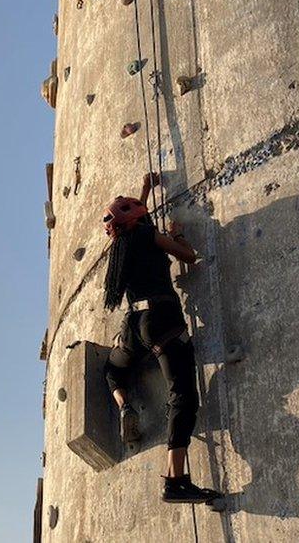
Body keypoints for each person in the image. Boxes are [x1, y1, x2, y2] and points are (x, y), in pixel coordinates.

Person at [101, 173, 222, 504]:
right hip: (162, 319)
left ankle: (124, 404)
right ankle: (176, 479)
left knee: (113, 370)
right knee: (182, 394)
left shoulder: (119, 250)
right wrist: (179, 236)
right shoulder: (149, 235)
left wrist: (144, 191)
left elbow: (139, 219)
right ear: (138, 218)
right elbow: (187, 256)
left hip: (133, 326)